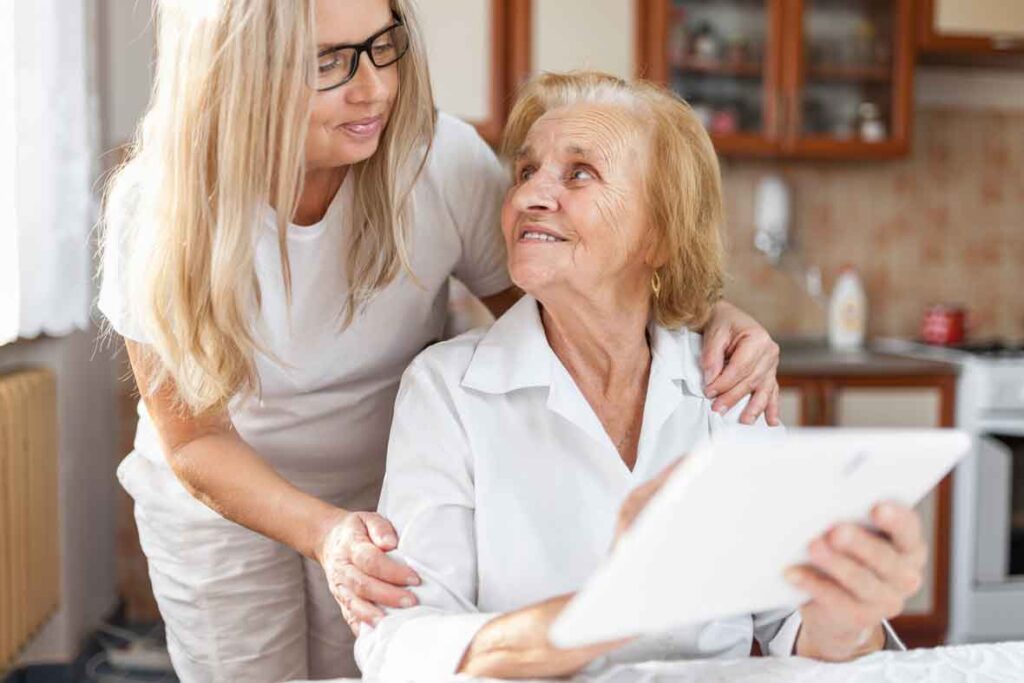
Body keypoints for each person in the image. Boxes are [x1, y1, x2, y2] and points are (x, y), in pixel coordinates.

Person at [99, 1, 783, 679]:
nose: (374, 88)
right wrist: (323, 531)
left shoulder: (436, 162)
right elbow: (193, 438)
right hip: (227, 495)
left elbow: (577, 281)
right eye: (329, 62)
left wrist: (705, 312)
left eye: (381, 45)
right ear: (239, 76)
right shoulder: (158, 208)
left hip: (383, 487)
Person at [355, 72, 924, 679]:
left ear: (659, 233)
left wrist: (849, 614)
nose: (527, 196)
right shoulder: (446, 390)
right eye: (525, 172)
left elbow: (791, 627)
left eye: (579, 173)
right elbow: (405, 641)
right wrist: (613, 606)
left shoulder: (727, 382)